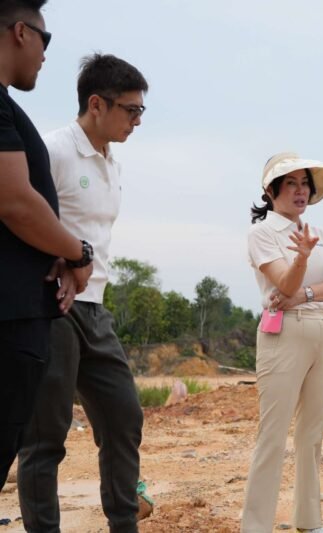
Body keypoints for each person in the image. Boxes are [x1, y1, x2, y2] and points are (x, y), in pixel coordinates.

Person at [16, 52, 149, 532]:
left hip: (96, 309)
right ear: (97, 103)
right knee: (45, 437)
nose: (137, 120)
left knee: (124, 418)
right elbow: (19, 216)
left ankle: (123, 523)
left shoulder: (112, 163)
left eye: (141, 111)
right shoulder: (52, 151)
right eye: (131, 110)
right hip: (51, 308)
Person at [0, 0, 94, 490]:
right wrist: (80, 253)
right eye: (45, 39)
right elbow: (16, 202)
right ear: (20, 32)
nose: (44, 53)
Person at [242, 152, 323, 533]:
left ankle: (309, 520)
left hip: (321, 330)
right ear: (271, 191)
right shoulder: (262, 233)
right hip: (283, 332)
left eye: (305, 184)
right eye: (291, 184)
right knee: (273, 434)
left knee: (312, 433)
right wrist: (301, 262)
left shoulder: (316, 232)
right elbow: (282, 284)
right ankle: (256, 526)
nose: (300, 191)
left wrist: (306, 292)